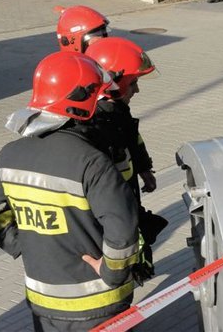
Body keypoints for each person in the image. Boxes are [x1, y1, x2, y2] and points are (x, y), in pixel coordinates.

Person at [0, 52, 139, 331]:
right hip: (98, 304)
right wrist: (112, 272)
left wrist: (16, 243)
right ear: (83, 101)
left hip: (43, 304)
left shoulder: (10, 155)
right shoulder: (91, 161)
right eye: (97, 96)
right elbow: (123, 228)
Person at [85, 37, 167, 285]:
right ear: (113, 83)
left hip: (126, 204)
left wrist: (144, 168)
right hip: (112, 221)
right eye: (133, 83)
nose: (137, 90)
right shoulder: (93, 124)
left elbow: (132, 139)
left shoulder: (117, 111)